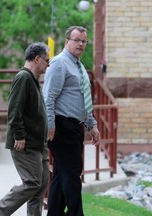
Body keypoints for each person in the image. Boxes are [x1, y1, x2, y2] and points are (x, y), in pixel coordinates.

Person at [0, 42, 50, 216]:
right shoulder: (23, 78)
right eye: (47, 60)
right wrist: (19, 136)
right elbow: (14, 111)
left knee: (41, 184)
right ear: (37, 59)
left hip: (38, 143)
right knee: (32, 182)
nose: (48, 64)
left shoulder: (33, 80)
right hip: (25, 143)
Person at [42, 26, 100, 216]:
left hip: (75, 127)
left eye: (84, 41)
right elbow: (48, 97)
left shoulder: (78, 65)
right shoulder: (59, 64)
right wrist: (50, 125)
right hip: (61, 126)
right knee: (73, 173)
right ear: (67, 41)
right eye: (77, 40)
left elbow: (84, 97)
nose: (81, 44)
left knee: (61, 174)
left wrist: (92, 124)